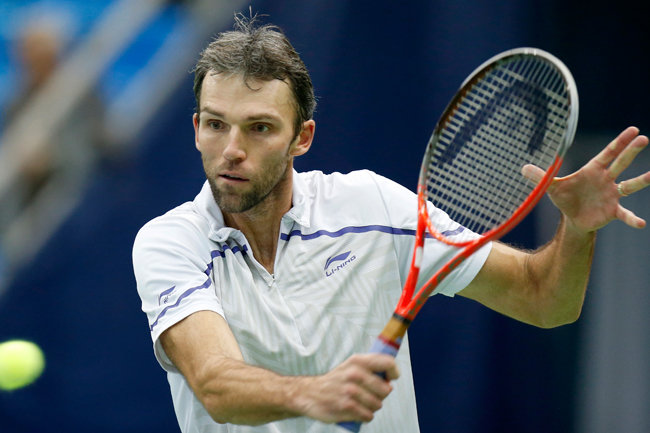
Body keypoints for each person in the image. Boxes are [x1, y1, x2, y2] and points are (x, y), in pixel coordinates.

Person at [132, 14, 650, 433]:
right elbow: (215, 384)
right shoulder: (171, 242)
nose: (232, 149)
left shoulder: (373, 208)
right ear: (196, 128)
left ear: (302, 138)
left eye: (260, 128)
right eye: (216, 124)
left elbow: (543, 299)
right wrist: (315, 394)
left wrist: (577, 229)